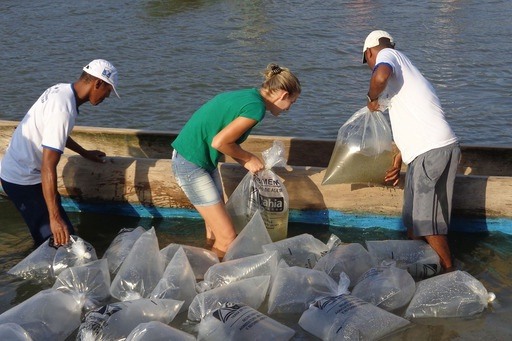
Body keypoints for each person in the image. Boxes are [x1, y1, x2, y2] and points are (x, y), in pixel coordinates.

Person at [171, 63, 301, 259]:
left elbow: (221, 136)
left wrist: (245, 161)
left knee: (215, 231)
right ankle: (210, 282)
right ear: (282, 95)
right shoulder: (256, 108)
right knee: (228, 237)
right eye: (292, 102)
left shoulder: (248, 96)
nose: (289, 108)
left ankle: (208, 263)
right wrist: (248, 157)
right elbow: (220, 142)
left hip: (199, 161)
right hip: (191, 164)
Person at [362, 30, 460, 271]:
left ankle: (450, 273)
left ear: (369, 52)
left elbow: (380, 76)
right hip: (425, 154)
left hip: (432, 152)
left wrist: (371, 98)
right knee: (412, 222)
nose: (371, 68)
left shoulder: (387, 55)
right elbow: (411, 125)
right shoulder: (406, 78)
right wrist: (398, 160)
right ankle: (417, 268)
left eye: (368, 62)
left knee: (426, 222)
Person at [0, 59, 120, 247]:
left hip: (21, 170)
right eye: (108, 90)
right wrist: (54, 217)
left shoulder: (62, 91)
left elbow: (55, 133)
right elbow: (48, 166)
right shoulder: (64, 108)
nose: (107, 96)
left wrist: (84, 152)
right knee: (60, 244)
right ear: (98, 83)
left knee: (62, 239)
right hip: (22, 179)